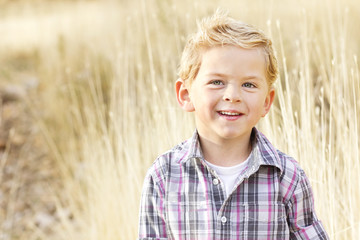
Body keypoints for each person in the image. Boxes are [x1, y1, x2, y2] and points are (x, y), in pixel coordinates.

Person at [138, 10, 329, 240]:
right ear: (186, 95)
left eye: (248, 84)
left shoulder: (287, 177)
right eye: (217, 82)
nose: (233, 95)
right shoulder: (164, 176)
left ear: (266, 102)